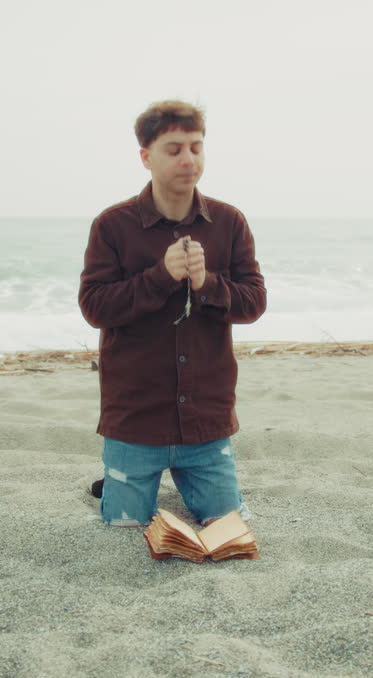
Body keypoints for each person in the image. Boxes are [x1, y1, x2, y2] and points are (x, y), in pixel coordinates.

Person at [78, 100, 267, 528]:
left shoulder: (229, 222)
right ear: (146, 156)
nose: (188, 159)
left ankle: (165, 483)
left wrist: (207, 284)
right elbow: (94, 306)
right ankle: (116, 481)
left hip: (206, 423)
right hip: (135, 420)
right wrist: (160, 276)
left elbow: (254, 303)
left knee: (226, 524)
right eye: (174, 149)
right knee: (125, 525)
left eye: (196, 147)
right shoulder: (113, 225)